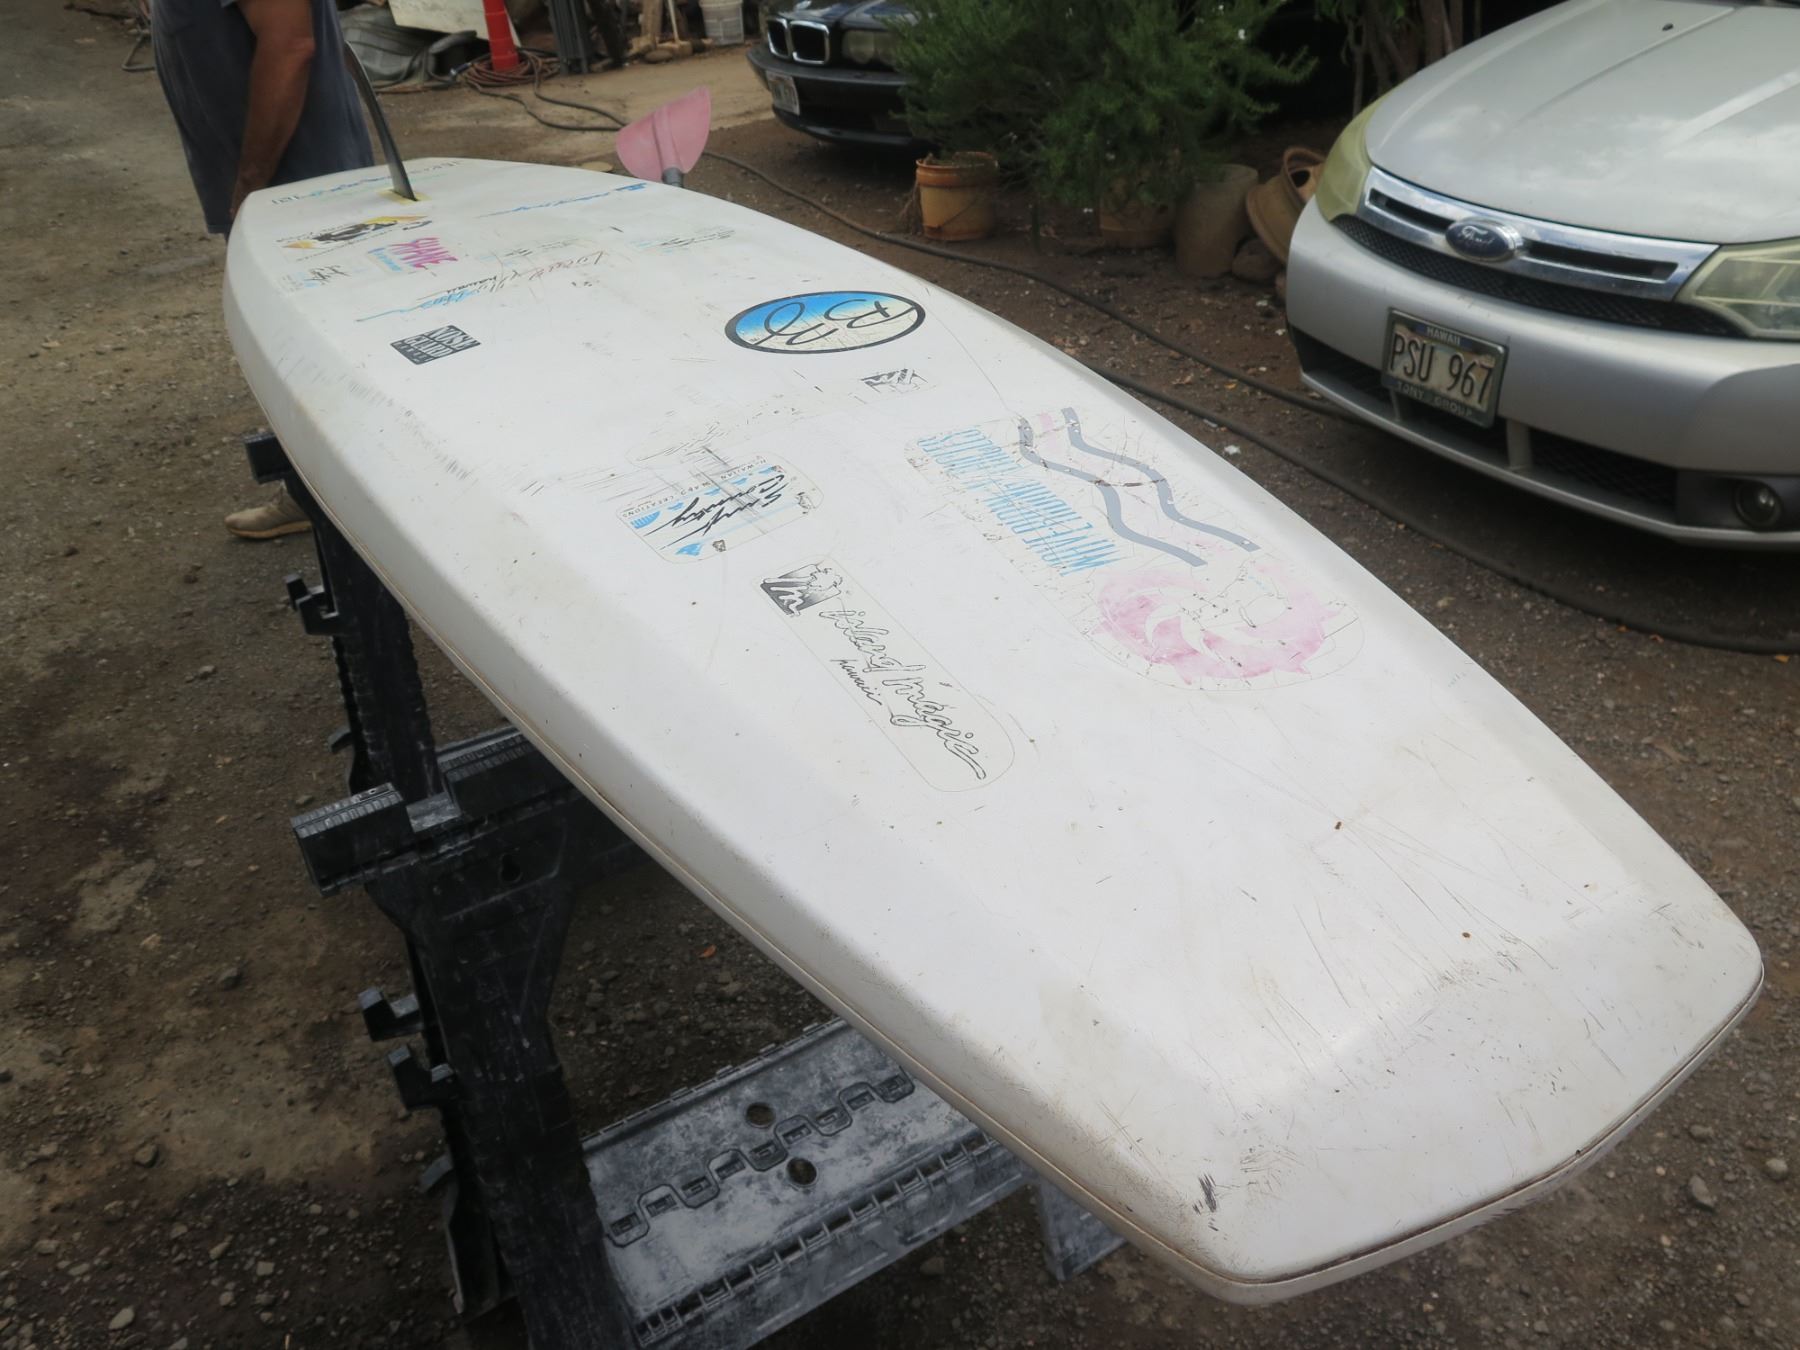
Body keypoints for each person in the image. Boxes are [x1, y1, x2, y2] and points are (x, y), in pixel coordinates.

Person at [151, 0, 374, 539]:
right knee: (297, 358)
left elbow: (290, 46)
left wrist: (253, 180)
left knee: (323, 356)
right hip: (275, 189)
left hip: (297, 192)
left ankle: (351, 507)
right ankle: (317, 491)